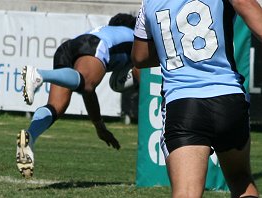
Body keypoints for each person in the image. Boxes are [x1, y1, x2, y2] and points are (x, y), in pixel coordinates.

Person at [131, 0, 262, 197]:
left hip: (183, 104)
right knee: (240, 179)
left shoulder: (149, 2)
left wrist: (177, 51)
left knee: (186, 193)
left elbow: (140, 57)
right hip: (228, 99)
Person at [16, 13, 137, 178]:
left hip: (68, 47)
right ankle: (38, 74)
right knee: (85, 82)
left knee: (57, 106)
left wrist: (99, 127)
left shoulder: (106, 32)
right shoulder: (134, 37)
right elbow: (142, 69)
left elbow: (88, 91)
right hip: (94, 45)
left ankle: (30, 137)